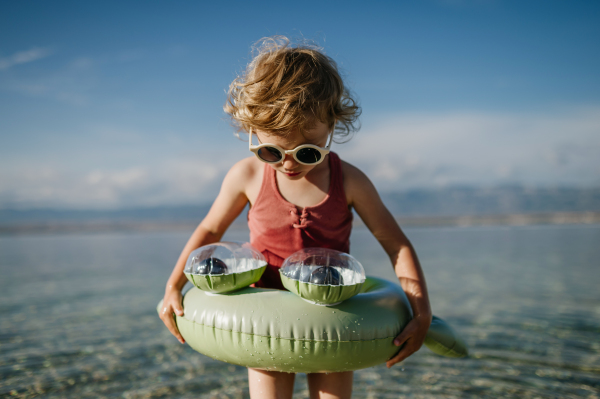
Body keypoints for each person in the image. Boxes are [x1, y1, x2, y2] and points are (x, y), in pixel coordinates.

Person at [159, 36, 432, 399]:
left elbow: (395, 244)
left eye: (307, 152)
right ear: (251, 131)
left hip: (333, 317)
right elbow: (210, 229)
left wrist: (422, 311)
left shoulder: (350, 180)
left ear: (332, 128)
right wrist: (173, 285)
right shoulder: (249, 176)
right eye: (271, 150)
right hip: (265, 318)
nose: (288, 164)